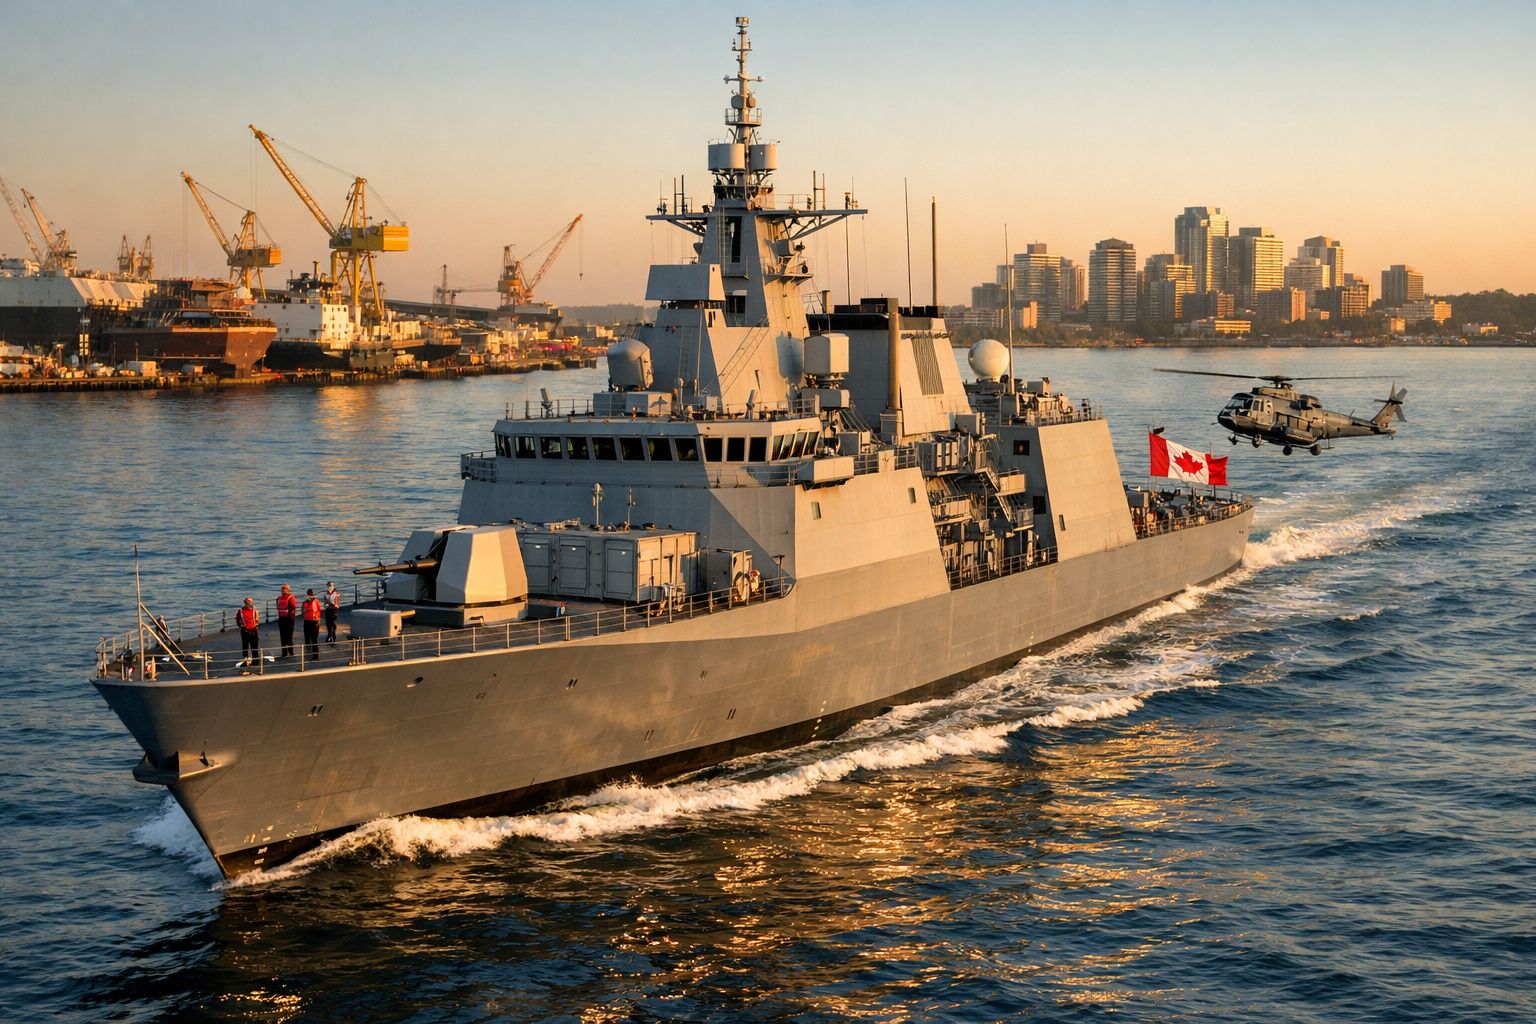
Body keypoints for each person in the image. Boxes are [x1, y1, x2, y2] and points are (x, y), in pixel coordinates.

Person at [275, 583, 298, 658]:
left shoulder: (291, 597)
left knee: (289, 637)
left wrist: (291, 617)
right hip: (281, 619)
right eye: (282, 588)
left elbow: (294, 607)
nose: (283, 590)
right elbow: (277, 607)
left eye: (284, 588)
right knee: (282, 637)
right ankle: (284, 653)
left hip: (289, 619)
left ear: (288, 590)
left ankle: (291, 652)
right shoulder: (278, 598)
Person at [237, 597, 260, 665]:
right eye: (248, 603)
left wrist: (256, 629)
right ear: (245, 603)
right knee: (245, 646)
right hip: (244, 631)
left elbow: (257, 620)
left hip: (253, 630)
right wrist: (241, 626)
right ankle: (245, 660)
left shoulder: (255, 611)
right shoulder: (240, 611)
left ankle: (256, 661)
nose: (250, 604)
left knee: (254, 647)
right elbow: (238, 619)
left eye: (250, 602)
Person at [301, 588, 323, 661]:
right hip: (306, 622)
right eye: (309, 595)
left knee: (314, 640)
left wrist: (318, 621)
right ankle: (308, 654)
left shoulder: (316, 602)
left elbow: (319, 611)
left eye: (312, 595)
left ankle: (316, 657)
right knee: (307, 639)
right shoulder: (305, 602)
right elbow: (302, 612)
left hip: (314, 622)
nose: (311, 596)